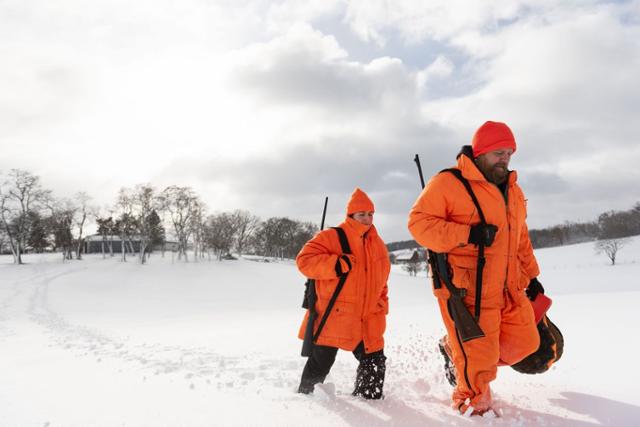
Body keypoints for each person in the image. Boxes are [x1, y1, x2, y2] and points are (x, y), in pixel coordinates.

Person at [408, 121, 548, 415]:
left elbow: (520, 237)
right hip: (468, 291)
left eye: (509, 153)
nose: (505, 159)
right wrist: (468, 234)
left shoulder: (512, 189)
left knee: (526, 343)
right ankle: (471, 405)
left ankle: (454, 349)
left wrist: (532, 276)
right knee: (479, 362)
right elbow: (419, 224)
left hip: (509, 288)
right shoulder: (449, 183)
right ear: (481, 152)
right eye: (499, 152)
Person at [296, 188, 390, 399]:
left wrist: (381, 303)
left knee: (374, 363)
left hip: (367, 318)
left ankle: (370, 402)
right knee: (320, 362)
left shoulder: (378, 245)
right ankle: (304, 400)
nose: (367, 219)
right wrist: (336, 265)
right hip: (334, 315)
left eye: (370, 214)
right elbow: (304, 261)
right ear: (350, 216)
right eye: (361, 214)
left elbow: (383, 281)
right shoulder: (331, 236)